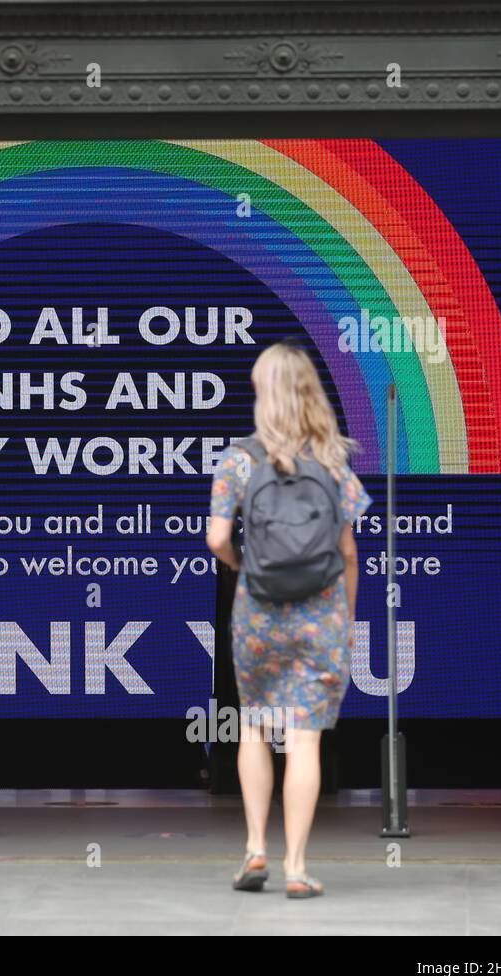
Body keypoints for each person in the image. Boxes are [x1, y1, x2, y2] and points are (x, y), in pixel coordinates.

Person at [206, 342, 372, 898]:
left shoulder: (237, 459)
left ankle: (255, 850)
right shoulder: (331, 460)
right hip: (320, 613)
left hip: (259, 611)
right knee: (304, 740)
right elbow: (348, 552)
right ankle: (297, 868)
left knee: (254, 725)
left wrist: (246, 568)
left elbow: (217, 540)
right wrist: (344, 615)